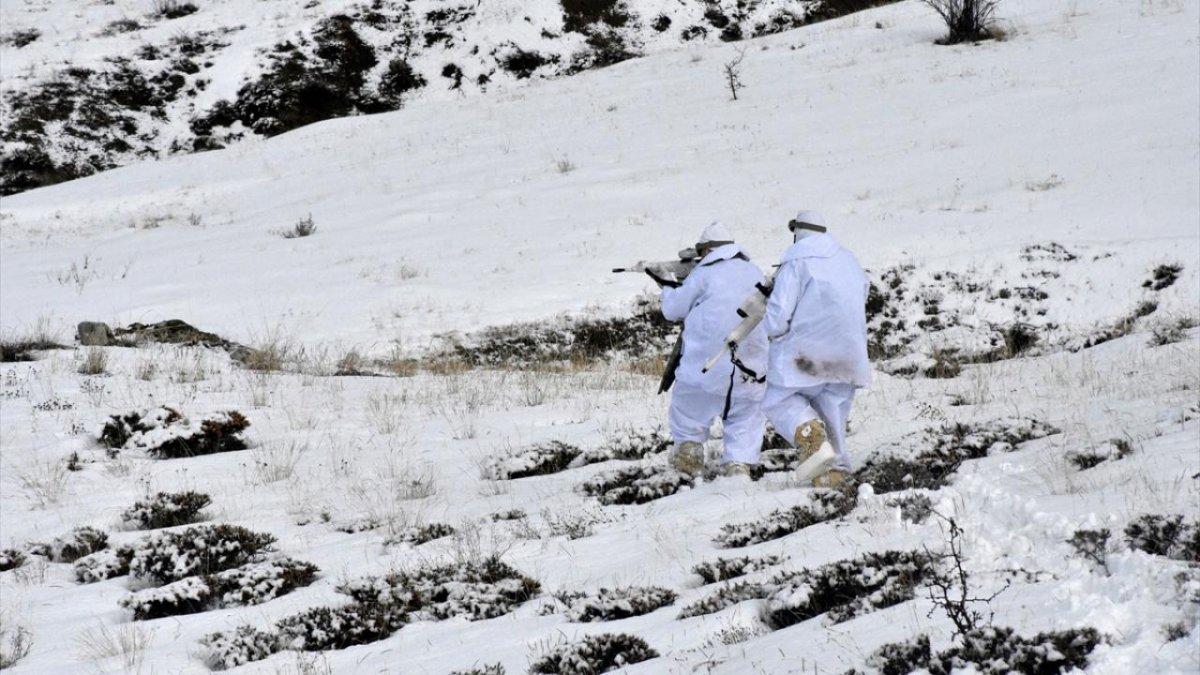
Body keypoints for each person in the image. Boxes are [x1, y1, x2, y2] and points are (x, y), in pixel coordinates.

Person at [648, 222, 769, 477]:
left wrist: (669, 286)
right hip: (750, 369)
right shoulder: (755, 272)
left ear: (705, 251)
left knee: (689, 414)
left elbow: (673, 311)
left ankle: (688, 463)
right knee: (745, 419)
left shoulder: (702, 276)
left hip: (705, 369)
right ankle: (738, 469)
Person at [762, 210, 871, 487]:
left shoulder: (797, 263)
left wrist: (772, 333)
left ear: (798, 232)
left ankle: (809, 436)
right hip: (848, 354)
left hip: (805, 355)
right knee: (833, 413)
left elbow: (776, 318)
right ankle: (833, 471)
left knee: (781, 400)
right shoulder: (849, 260)